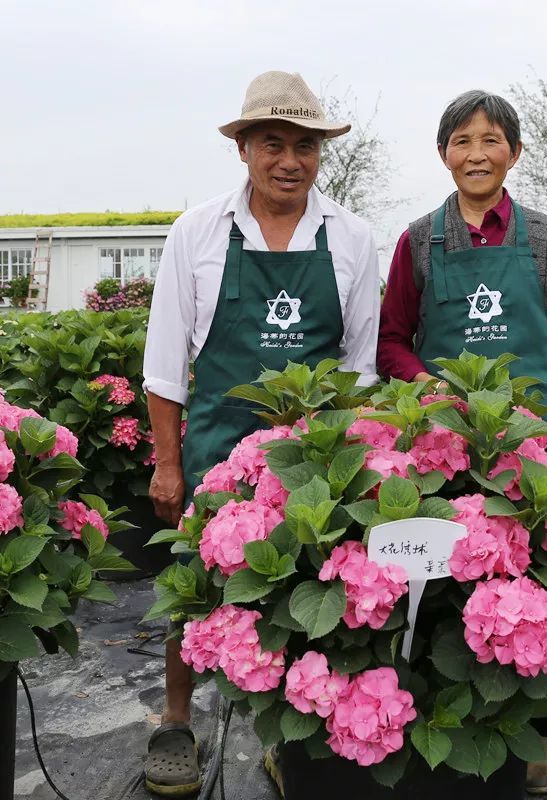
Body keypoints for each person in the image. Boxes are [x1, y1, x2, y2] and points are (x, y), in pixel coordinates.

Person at [141, 70, 380, 797]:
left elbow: (363, 370)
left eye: (305, 145)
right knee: (195, 589)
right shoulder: (199, 233)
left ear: (321, 153)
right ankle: (176, 719)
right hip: (216, 445)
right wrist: (168, 465)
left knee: (306, 600)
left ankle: (290, 741)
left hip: (311, 468)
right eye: (272, 143)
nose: (289, 160)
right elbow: (165, 362)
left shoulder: (353, 238)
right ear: (242, 147)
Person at [377, 89, 547, 795]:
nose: (477, 153)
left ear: (515, 151)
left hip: (545, 449)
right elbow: (391, 343)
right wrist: (430, 388)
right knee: (457, 590)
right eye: (462, 140)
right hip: (457, 451)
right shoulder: (419, 241)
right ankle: (459, 727)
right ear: (443, 153)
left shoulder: (544, 238)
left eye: (492, 140)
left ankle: (539, 732)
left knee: (546, 588)